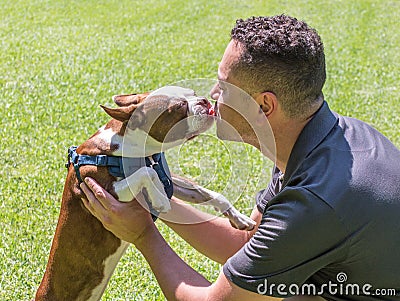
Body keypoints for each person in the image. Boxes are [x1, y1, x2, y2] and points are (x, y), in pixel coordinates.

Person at [80, 15, 400, 300]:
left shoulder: (312, 202)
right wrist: (156, 199)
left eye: (223, 86)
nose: (213, 96)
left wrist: (143, 234)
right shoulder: (327, 138)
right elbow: (246, 242)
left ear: (263, 106)